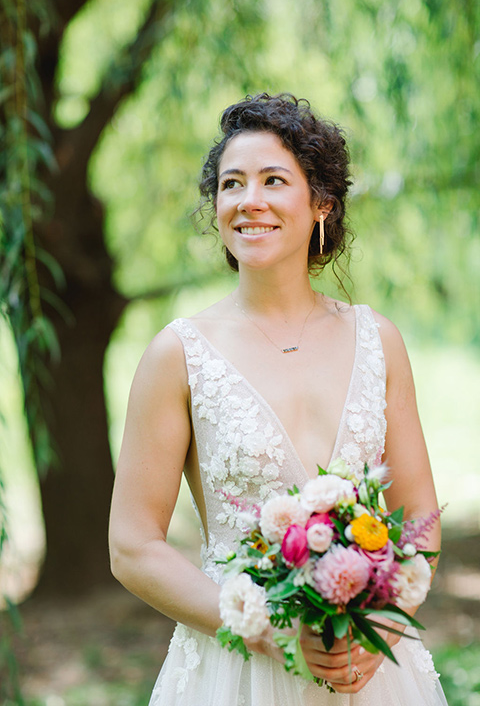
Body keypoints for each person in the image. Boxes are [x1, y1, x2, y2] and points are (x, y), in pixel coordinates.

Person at [109, 93, 448, 705]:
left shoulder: (378, 340)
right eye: (231, 184)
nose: (249, 201)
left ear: (321, 203)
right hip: (234, 672)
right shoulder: (177, 355)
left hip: (371, 670)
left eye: (273, 180)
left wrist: (385, 627)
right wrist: (267, 630)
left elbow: (419, 518)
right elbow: (133, 547)